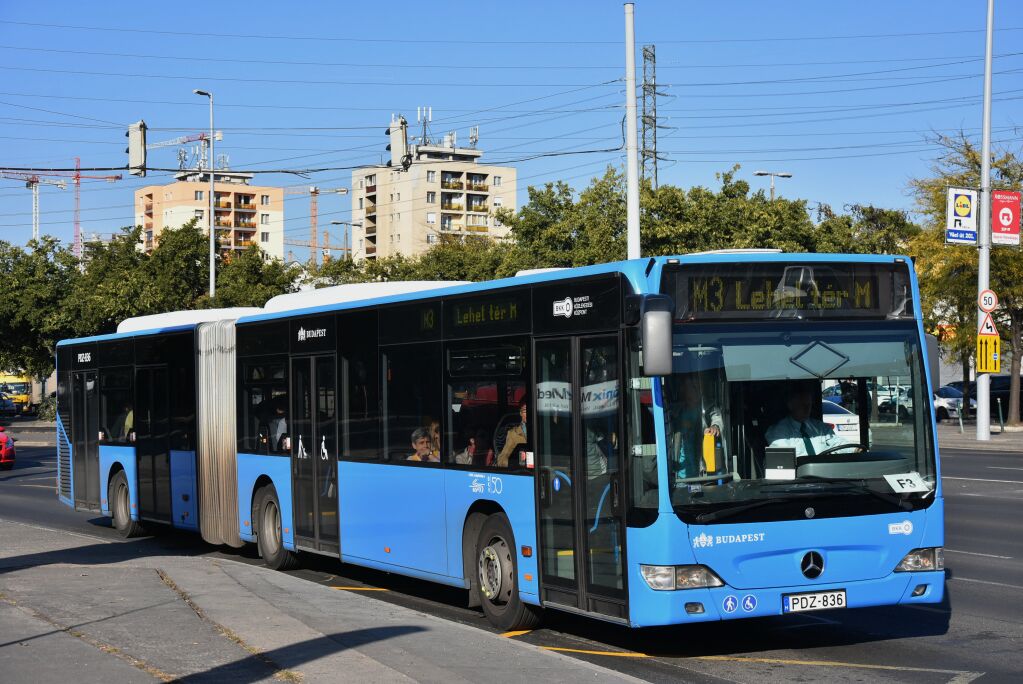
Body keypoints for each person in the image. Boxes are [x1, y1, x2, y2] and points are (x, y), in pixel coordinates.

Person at [766, 380, 851, 457]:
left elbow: (837, 442)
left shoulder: (820, 427)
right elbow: (784, 458)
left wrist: (854, 449)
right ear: (790, 405)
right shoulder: (778, 432)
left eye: (808, 405)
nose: (807, 409)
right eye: (802, 405)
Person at [668, 374, 723, 481]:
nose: (696, 389)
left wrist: (714, 427)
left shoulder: (705, 407)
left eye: (697, 386)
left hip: (700, 472)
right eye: (691, 386)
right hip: (679, 475)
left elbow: (716, 416)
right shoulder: (675, 411)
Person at [496, 401, 528, 468]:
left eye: (531, 410)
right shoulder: (513, 434)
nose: (529, 413)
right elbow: (501, 460)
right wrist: (517, 462)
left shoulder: (545, 431)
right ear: (521, 413)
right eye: (525, 410)